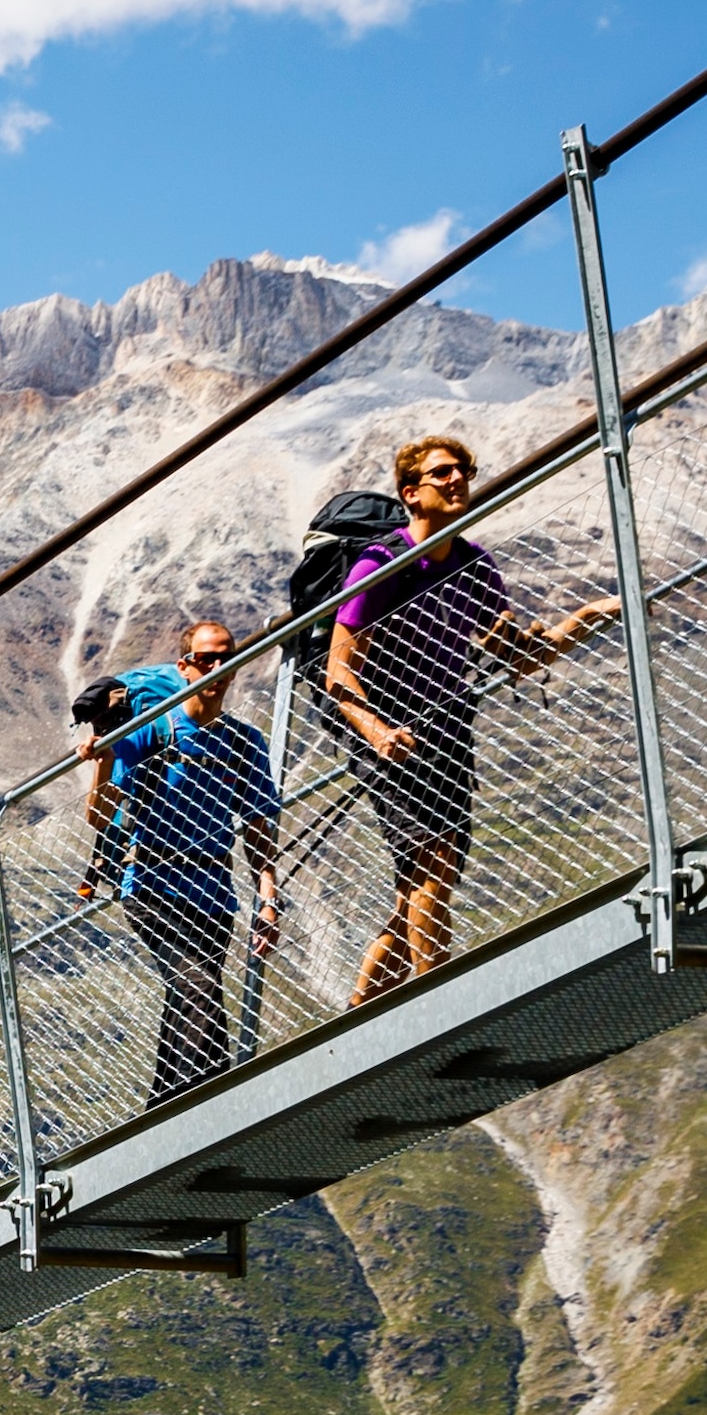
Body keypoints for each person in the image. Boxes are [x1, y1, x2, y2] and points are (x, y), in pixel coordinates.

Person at [321, 437, 616, 1000]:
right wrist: (378, 733)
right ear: (412, 493)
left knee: (427, 883)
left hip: (449, 726)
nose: (458, 479)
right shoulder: (380, 564)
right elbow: (339, 669)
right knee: (430, 864)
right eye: (441, 473)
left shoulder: (476, 567)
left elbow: (522, 660)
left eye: (464, 470)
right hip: (388, 727)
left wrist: (588, 615)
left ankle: (362, 1013)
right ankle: (435, 1008)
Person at [79, 620, 280, 1103]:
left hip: (214, 892)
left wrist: (269, 900)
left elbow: (258, 827)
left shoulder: (244, 743)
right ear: (184, 667)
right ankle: (211, 1106)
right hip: (152, 882)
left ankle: (167, 1107)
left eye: (225, 657)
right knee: (196, 984)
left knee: (189, 993)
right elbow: (98, 815)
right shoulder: (154, 728)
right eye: (206, 658)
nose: (217, 666)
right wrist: (105, 757)